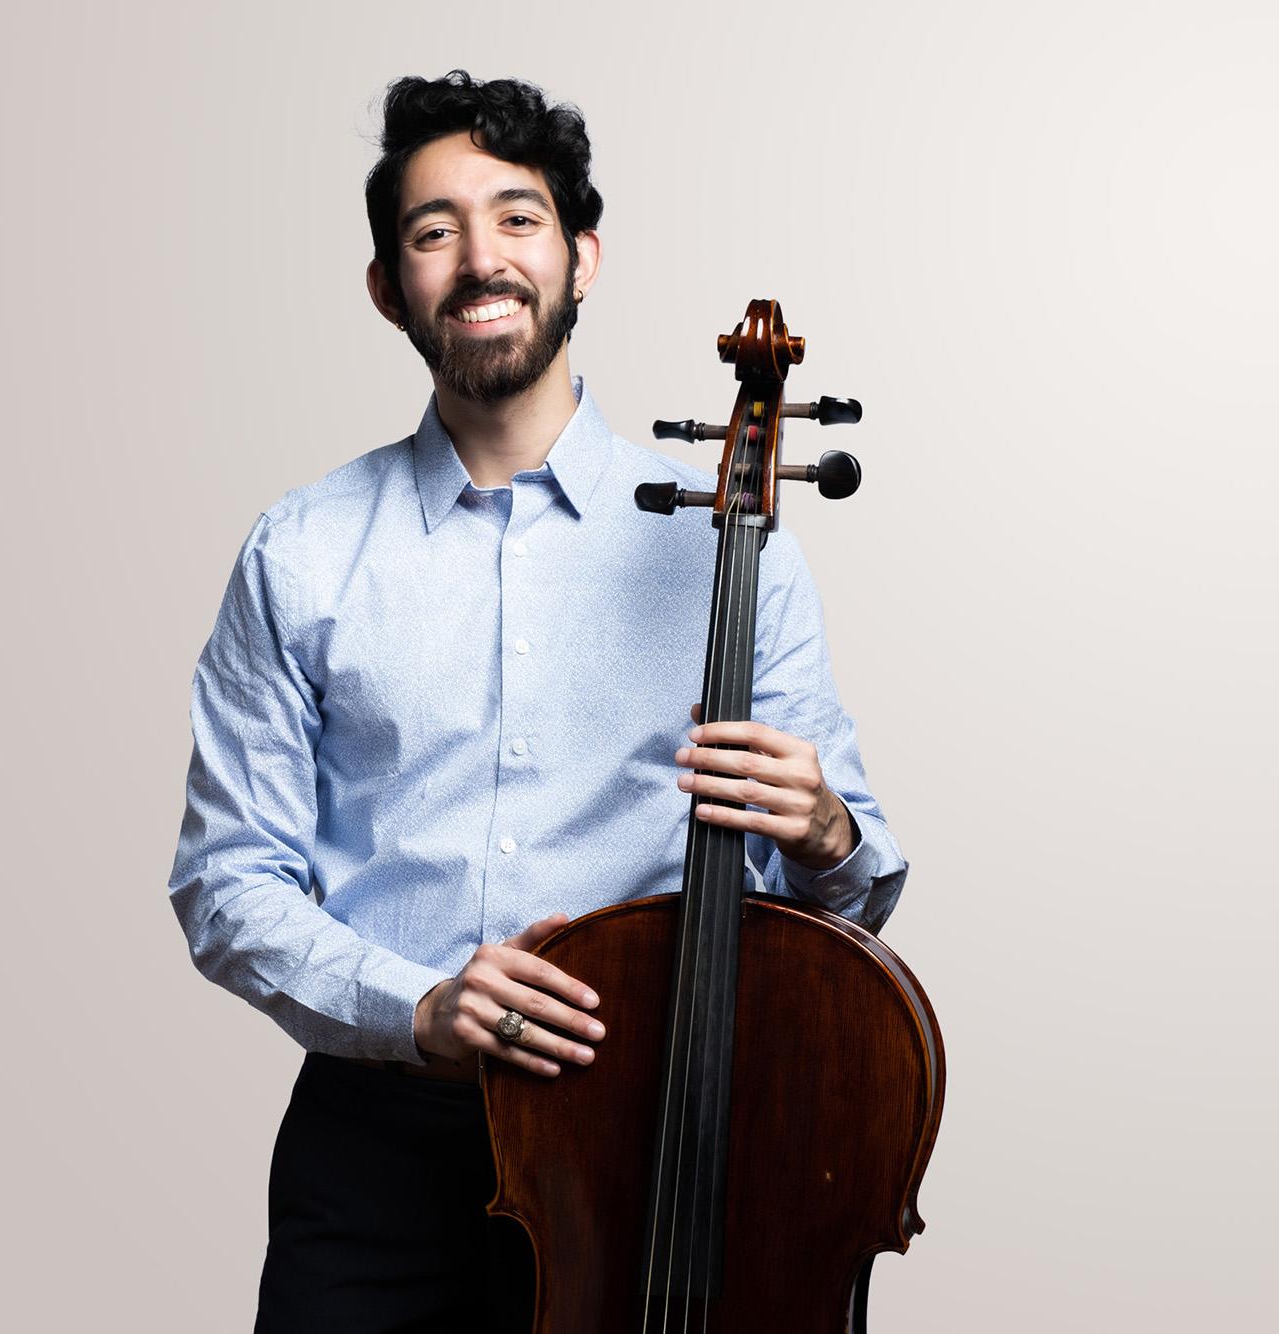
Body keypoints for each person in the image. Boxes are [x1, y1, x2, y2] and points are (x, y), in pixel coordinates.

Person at [167, 70, 908, 1333]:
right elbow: (226, 880)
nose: (477, 258)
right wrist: (415, 1008)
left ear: (581, 257)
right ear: (386, 284)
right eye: (431, 228)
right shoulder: (298, 553)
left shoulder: (732, 548)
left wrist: (823, 828)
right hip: (382, 1158)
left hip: (655, 1138)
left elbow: (853, 890)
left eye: (516, 217)